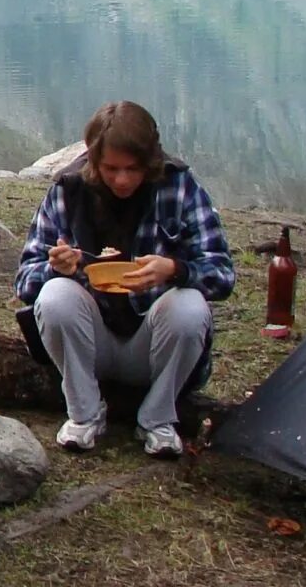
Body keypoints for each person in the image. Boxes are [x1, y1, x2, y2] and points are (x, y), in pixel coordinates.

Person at [15, 100, 235, 459]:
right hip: (92, 344)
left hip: (153, 346)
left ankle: (158, 419)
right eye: (111, 169)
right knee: (55, 295)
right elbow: (25, 281)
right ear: (92, 161)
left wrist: (176, 270)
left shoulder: (178, 186)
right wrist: (57, 267)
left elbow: (222, 273)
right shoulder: (67, 190)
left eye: (132, 169)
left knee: (190, 307)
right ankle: (85, 414)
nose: (122, 179)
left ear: (148, 163)